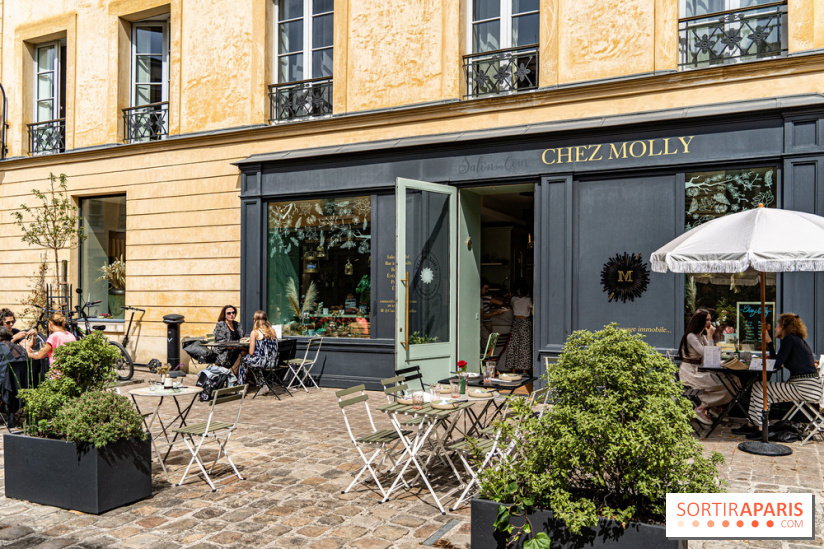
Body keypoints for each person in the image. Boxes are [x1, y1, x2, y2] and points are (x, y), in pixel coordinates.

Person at [743, 313, 822, 438]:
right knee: (759, 387)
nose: (775, 328)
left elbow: (776, 364)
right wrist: (769, 342)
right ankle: (752, 424)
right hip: (809, 387)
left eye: (777, 326)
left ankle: (762, 428)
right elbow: (778, 362)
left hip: (804, 388)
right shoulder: (797, 340)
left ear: (783, 327)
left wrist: (769, 343)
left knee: (759, 387)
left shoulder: (789, 339)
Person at [678, 309, 734, 425]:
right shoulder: (691, 336)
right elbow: (707, 354)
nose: (709, 322)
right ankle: (701, 408)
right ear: (700, 321)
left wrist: (709, 337)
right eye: (707, 319)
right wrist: (710, 335)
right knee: (727, 383)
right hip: (690, 374)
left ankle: (714, 407)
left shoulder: (700, 336)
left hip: (699, 371)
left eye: (710, 319)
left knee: (734, 382)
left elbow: (711, 354)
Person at [242, 310, 279, 385]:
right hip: (273, 362)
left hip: (262, 362)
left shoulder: (255, 332)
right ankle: (262, 384)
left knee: (243, 360)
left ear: (255, 320)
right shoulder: (273, 331)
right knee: (254, 363)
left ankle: (241, 387)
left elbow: (251, 352)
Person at [505, 281, 533, 373]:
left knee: (514, 345)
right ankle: (524, 370)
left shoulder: (513, 299)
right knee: (525, 346)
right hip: (525, 322)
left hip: (516, 322)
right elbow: (531, 308)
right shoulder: (528, 300)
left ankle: (513, 369)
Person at [214, 305, 245, 375]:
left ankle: (243, 377)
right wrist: (236, 345)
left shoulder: (238, 325)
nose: (231, 315)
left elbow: (241, 338)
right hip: (225, 352)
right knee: (243, 353)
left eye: (233, 313)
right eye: (229, 313)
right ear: (224, 315)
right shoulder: (221, 325)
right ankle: (234, 377)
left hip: (237, 349)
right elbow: (221, 343)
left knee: (248, 352)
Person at [480, 281, 507, 350]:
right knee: (488, 341)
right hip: (485, 322)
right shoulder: (486, 297)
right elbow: (501, 303)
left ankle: (485, 355)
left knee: (484, 341)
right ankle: (488, 355)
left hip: (481, 322)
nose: (487, 291)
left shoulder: (478, 298)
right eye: (485, 289)